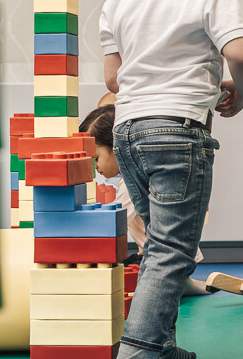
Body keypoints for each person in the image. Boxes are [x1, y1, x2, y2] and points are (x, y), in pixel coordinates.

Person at [99, 0, 243, 359]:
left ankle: (161, 342)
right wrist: (241, 88)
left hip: (127, 133)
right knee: (174, 248)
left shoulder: (119, 1)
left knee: (156, 243)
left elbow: (112, 79)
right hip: (176, 133)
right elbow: (241, 52)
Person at [80, 102, 208, 293]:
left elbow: (110, 224)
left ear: (117, 147)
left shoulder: (132, 182)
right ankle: (182, 283)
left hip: (166, 260)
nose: (95, 167)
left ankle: (177, 284)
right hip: (171, 257)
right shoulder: (137, 172)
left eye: (96, 158)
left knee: (108, 272)